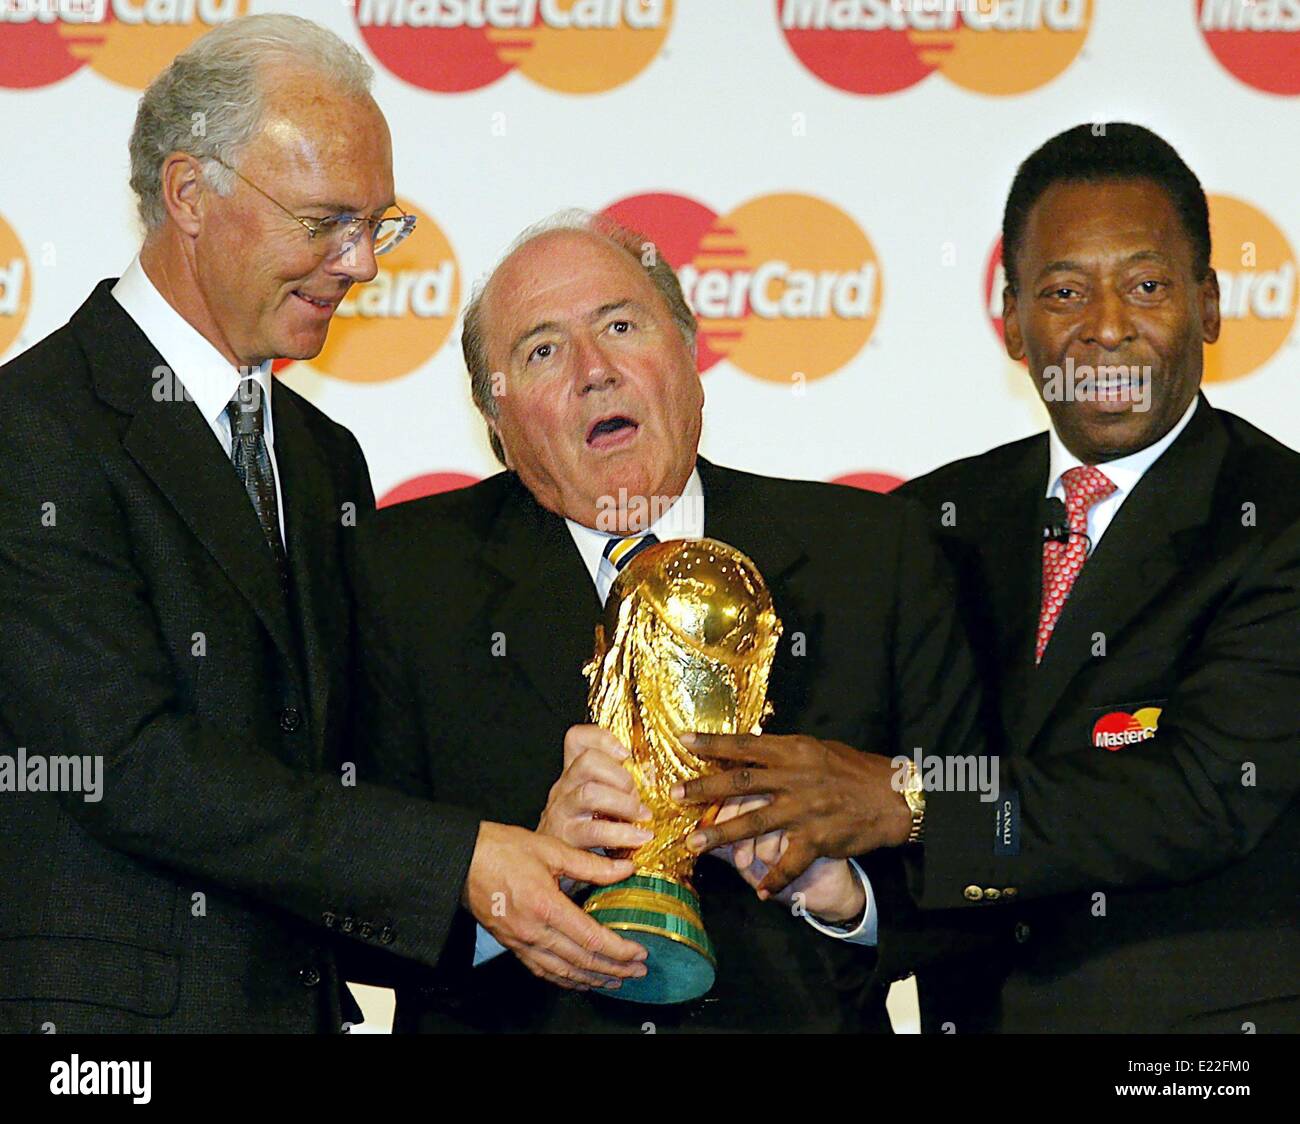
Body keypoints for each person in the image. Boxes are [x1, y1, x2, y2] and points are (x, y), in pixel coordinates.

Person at [0, 15, 640, 1034]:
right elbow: (128, 760)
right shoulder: (34, 428)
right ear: (189, 196)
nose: (361, 263)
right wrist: (459, 857)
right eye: (324, 221)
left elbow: (341, 768)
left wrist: (524, 841)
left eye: (378, 224)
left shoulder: (318, 450)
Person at [676, 123, 1300, 1033]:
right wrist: (845, 889)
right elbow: (866, 781)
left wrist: (911, 796)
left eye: (1148, 285)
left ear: (1208, 305)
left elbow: (1197, 793)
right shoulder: (929, 522)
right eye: (1063, 291)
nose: (1107, 327)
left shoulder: (1278, 519)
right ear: (1011, 321)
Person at [349, 210, 985, 1032]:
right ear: (496, 421)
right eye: (541, 351)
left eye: (621, 325)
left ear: (689, 358)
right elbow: (337, 894)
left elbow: (985, 842)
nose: (595, 370)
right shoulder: (399, 577)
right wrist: (513, 880)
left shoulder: (873, 554)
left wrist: (842, 891)